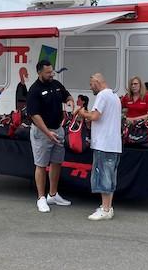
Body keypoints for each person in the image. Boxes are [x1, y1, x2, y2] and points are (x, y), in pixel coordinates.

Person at [26, 59, 75, 212]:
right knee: (41, 164)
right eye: (48, 72)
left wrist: (70, 102)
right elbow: (34, 115)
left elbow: (67, 96)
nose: (51, 74)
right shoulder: (34, 90)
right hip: (42, 132)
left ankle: (52, 195)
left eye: (52, 71)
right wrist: (48, 133)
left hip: (58, 129)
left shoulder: (56, 84)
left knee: (56, 162)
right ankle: (41, 198)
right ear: (39, 72)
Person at [78, 73, 122, 220]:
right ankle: (108, 207)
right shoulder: (114, 96)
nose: (91, 88)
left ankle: (105, 209)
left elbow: (95, 116)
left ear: (97, 82)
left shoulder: (102, 96)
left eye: (91, 84)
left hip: (104, 143)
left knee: (103, 175)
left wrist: (82, 113)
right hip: (113, 144)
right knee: (110, 176)